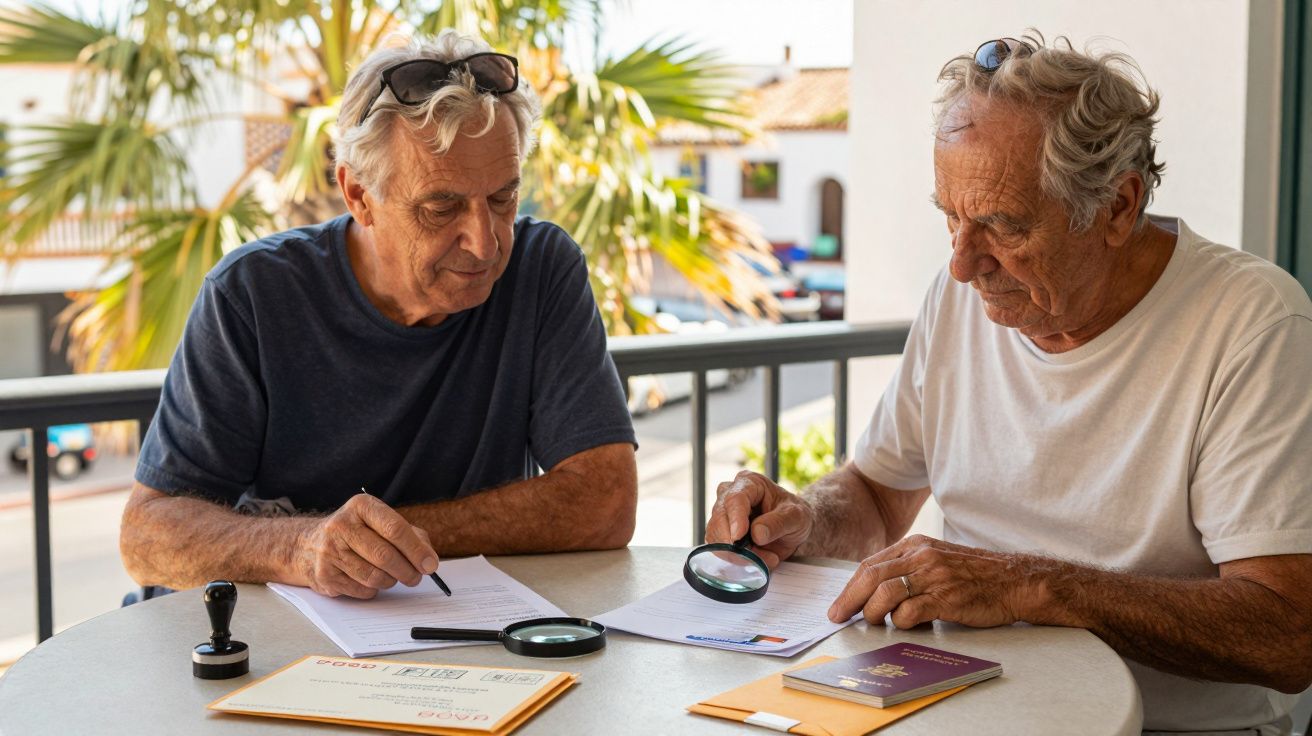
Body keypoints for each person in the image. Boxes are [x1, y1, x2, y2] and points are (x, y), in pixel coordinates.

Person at [707, 35, 1312, 733]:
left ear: (1119, 206)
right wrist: (804, 519)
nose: (963, 266)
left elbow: (1288, 632)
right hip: (956, 705)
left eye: (1002, 226)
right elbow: (876, 494)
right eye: (950, 218)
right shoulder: (960, 295)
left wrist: (1031, 585)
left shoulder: (1253, 323)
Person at [120, 30, 638, 601]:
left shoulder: (540, 268)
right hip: (248, 645)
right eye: (441, 207)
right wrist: (303, 547)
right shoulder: (252, 292)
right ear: (358, 195)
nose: (486, 243)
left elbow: (605, 502)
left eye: (502, 198)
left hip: (444, 645)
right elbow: (147, 538)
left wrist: (382, 543)